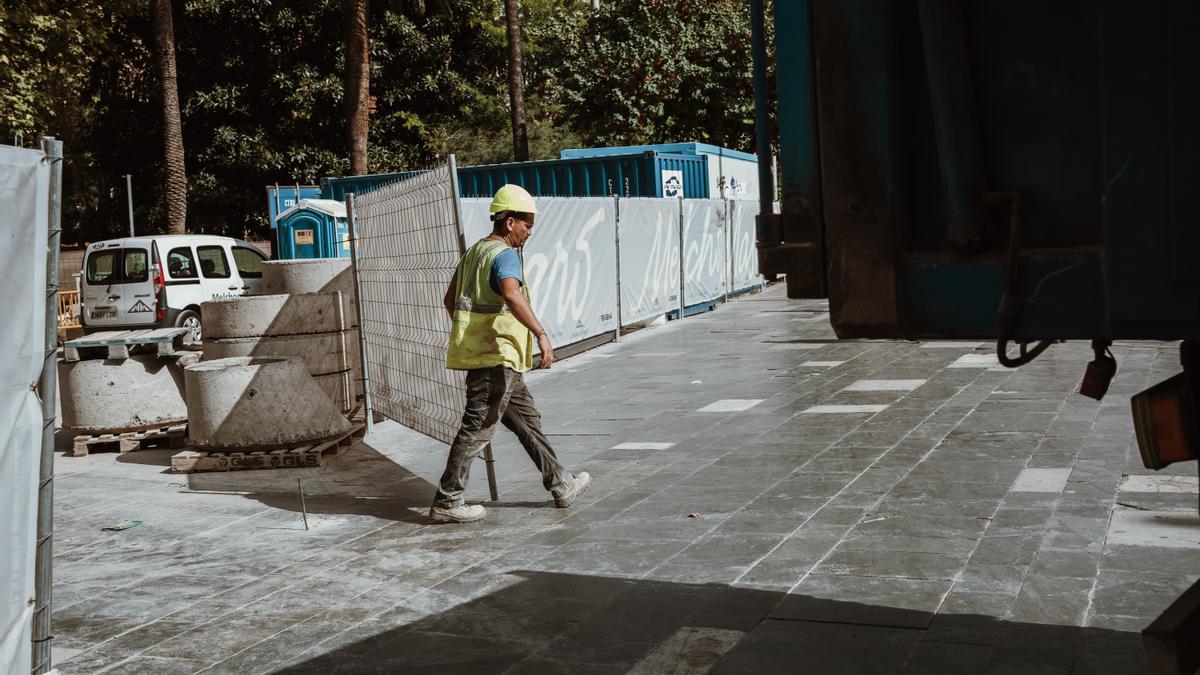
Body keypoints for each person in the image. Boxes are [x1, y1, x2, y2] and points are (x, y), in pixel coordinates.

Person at [430, 184, 591, 523]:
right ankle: (447, 500)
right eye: (527, 224)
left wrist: (474, 331)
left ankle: (560, 483)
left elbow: (450, 301)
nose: (529, 231)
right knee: (476, 428)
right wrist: (542, 334)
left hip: (499, 359)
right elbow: (512, 296)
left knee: (528, 423)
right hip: (495, 359)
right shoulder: (502, 255)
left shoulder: (474, 253)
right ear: (509, 223)